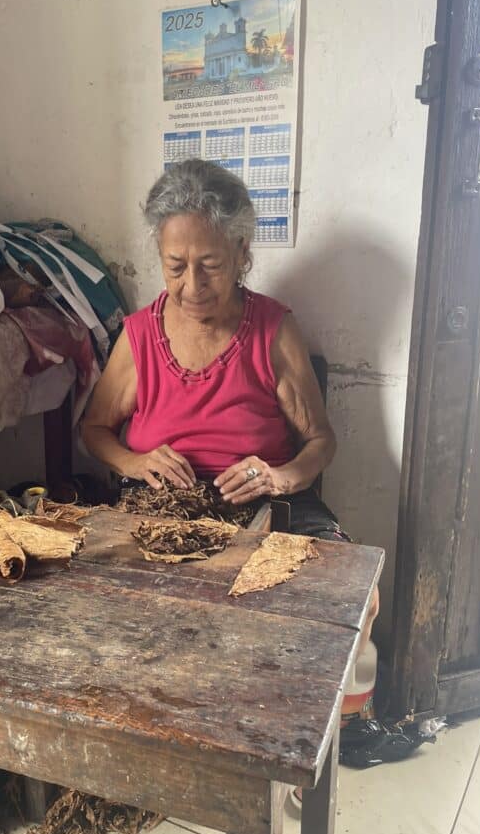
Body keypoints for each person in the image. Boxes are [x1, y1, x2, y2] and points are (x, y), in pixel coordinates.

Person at [81, 157, 378, 620]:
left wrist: (279, 477)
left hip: (264, 501)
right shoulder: (139, 335)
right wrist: (134, 461)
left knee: (353, 596)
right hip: (161, 506)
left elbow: (321, 441)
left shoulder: (273, 330)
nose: (192, 286)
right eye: (175, 267)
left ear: (241, 253)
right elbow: (95, 428)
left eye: (211, 266)